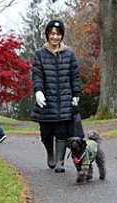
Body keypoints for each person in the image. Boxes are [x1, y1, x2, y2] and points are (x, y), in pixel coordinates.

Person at [31, 19, 81, 173]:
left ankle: (60, 161)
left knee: (62, 132)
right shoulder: (40, 54)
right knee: (46, 133)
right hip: (46, 101)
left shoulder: (69, 54)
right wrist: (38, 91)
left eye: (58, 34)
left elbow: (75, 75)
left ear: (62, 36)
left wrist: (76, 94)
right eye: (52, 34)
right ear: (47, 35)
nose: (55, 37)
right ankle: (50, 153)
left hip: (65, 100)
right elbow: (37, 75)